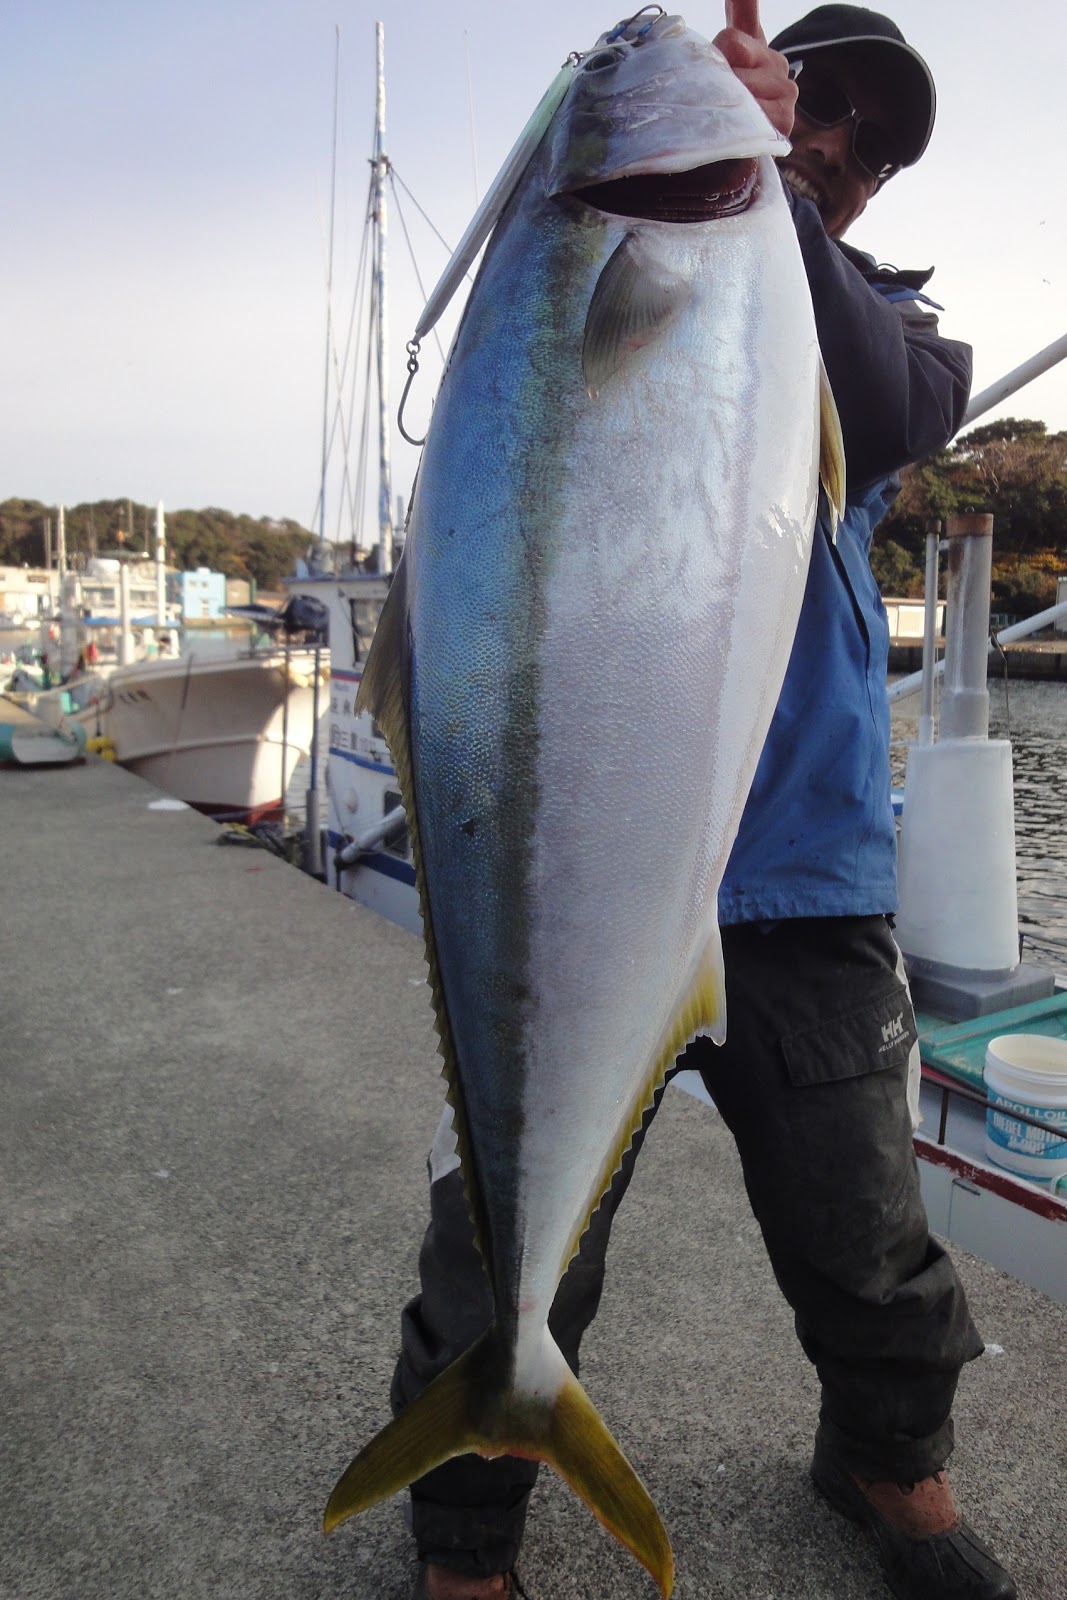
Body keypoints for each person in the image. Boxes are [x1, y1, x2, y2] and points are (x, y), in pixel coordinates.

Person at [390, 7, 1015, 1599]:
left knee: (867, 1234)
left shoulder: (888, 333)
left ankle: (888, 1463)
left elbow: (889, 408)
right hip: (583, 871)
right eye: (823, 98)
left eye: (876, 141)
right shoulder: (595, 261)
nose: (840, 142)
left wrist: (766, 198)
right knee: (503, 1231)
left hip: (804, 872)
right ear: (768, 85)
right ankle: (467, 1525)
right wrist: (709, 152)